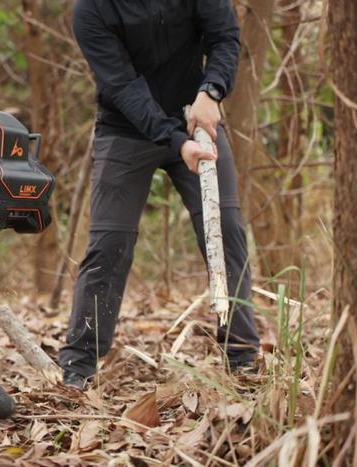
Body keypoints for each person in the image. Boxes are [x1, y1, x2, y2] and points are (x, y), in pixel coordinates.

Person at [60, 0, 261, 389]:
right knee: (109, 244)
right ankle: (79, 366)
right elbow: (120, 85)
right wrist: (174, 141)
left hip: (196, 119)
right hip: (125, 129)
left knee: (225, 229)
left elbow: (225, 37)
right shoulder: (91, 11)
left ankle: (242, 356)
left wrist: (212, 90)